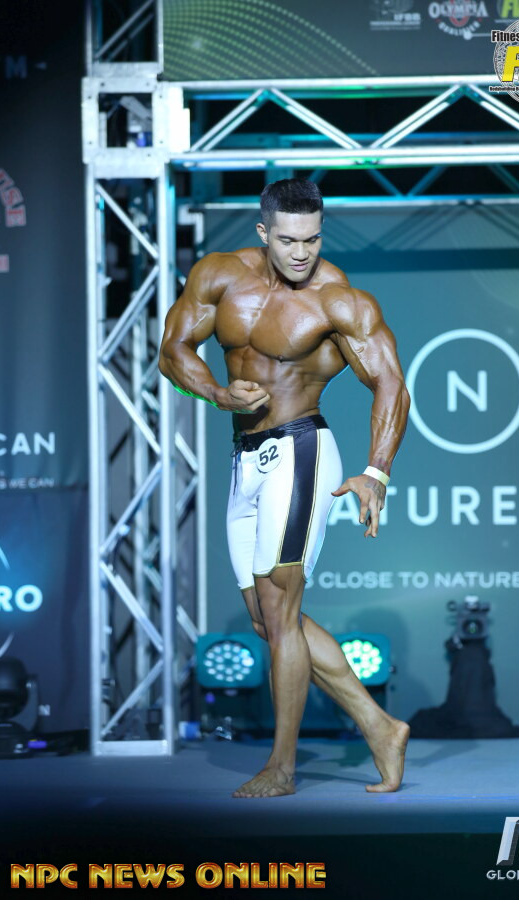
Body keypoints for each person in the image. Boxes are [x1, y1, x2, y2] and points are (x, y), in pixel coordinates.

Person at [158, 179, 411, 798]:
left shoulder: (338, 300)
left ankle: (281, 767)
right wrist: (216, 393)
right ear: (263, 233)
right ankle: (381, 727)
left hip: (301, 449)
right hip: (245, 458)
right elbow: (172, 352)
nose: (302, 253)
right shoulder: (219, 276)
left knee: (281, 605)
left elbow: (390, 383)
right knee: (265, 617)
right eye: (290, 240)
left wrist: (376, 471)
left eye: (313, 239)